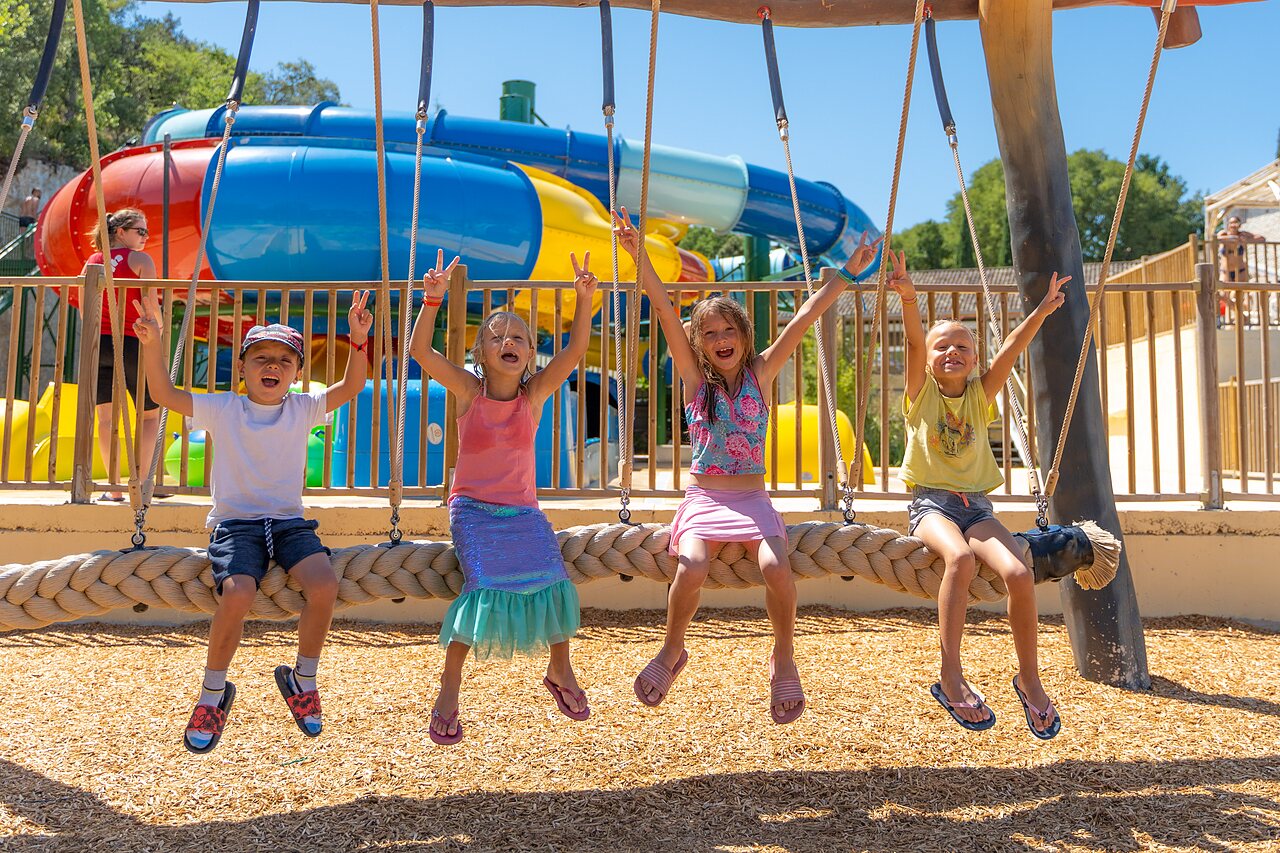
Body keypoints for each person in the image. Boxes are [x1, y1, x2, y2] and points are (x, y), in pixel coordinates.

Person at [615, 206, 880, 725]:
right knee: (690, 566)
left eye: (727, 330)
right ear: (700, 346)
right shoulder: (696, 381)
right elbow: (666, 312)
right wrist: (639, 255)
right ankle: (673, 650)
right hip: (706, 499)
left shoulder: (761, 374)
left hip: (752, 499)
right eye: (709, 334)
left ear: (742, 333)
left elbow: (804, 319)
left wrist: (848, 272)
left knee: (777, 568)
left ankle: (784, 655)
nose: (720, 340)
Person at [132, 292, 374, 753]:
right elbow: (163, 394)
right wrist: (154, 340)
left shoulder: (303, 408)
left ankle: (303, 678)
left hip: (287, 523)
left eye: (285, 360)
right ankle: (212, 692)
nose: (273, 366)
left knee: (323, 585)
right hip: (237, 525)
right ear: (241, 368)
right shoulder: (226, 409)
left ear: (297, 373)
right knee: (238, 592)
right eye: (261, 357)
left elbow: (352, 387)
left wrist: (358, 340)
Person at [408, 249, 598, 746]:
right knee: (484, 587)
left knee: (554, 580)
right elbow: (421, 354)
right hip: (473, 512)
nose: (508, 341)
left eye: (518, 336)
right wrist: (431, 301)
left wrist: (584, 301)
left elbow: (575, 353)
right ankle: (450, 687)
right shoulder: (470, 392)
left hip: (523, 514)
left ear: (530, 353)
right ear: (480, 355)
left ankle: (560, 669)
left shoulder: (532, 396)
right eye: (496, 337)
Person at [888, 249, 1069, 739]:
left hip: (977, 508)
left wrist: (1043, 309)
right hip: (930, 505)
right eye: (942, 347)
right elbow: (909, 338)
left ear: (973, 360)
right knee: (961, 562)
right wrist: (908, 296)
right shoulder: (920, 395)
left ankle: (1028, 677)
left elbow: (1011, 347)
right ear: (928, 361)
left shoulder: (979, 395)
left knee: (1017, 570)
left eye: (963, 348)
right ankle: (950, 675)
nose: (953, 353)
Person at [77, 209, 160, 502]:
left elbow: (84, 308)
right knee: (149, 416)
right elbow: (151, 307)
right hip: (133, 341)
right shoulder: (141, 261)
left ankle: (113, 487)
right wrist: (160, 329)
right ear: (121, 233)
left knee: (105, 418)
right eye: (140, 231)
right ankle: (142, 481)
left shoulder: (92, 262)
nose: (145, 238)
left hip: (98, 344)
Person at [1216, 215, 1265, 326]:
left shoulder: (1243, 235)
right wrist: (1233, 239)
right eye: (1231, 222)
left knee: (1242, 296)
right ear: (1228, 224)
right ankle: (1242, 316)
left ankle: (1241, 317)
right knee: (1222, 295)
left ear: (1239, 225)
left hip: (1240, 271)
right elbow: (1215, 238)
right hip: (1226, 272)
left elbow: (1262, 238)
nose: (1233, 225)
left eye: (1236, 222)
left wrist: (1246, 239)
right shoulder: (1223, 234)